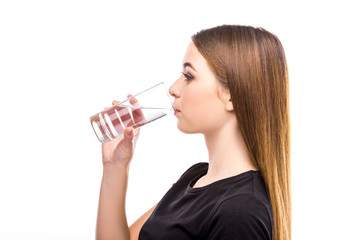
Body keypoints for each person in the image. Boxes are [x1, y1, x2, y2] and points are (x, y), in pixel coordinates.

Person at [96, 25, 291, 240]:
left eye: (189, 76)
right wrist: (115, 166)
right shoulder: (195, 177)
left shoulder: (241, 210)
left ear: (232, 96)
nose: (173, 88)